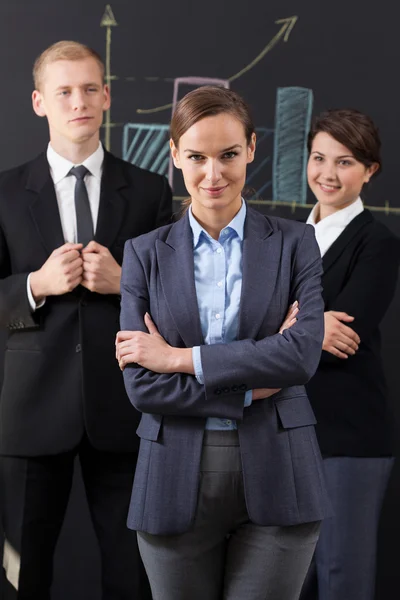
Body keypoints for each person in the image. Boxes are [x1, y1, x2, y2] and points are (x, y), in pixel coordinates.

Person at [115, 85, 331, 600]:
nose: (213, 174)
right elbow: (143, 387)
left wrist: (177, 358)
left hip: (281, 468)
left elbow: (300, 356)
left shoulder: (297, 243)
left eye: (229, 155)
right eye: (196, 156)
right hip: (173, 474)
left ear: (252, 148)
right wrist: (250, 385)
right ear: (174, 156)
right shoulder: (144, 254)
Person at [0, 40, 171, 599]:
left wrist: (127, 284)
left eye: (90, 89)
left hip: (123, 409)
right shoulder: (2, 193)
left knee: (133, 575)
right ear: (38, 102)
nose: (79, 101)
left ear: (107, 96)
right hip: (28, 413)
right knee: (22, 578)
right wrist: (34, 286)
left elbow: (181, 304)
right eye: (64, 91)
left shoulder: (149, 190)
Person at [300, 108, 400, 600]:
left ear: (369, 170)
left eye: (344, 162)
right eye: (319, 158)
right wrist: (306, 329)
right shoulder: (284, 239)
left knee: (342, 579)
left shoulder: (377, 244)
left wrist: (274, 332)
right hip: (284, 434)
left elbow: (343, 339)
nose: (328, 174)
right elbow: (242, 324)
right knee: (287, 581)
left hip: (348, 437)